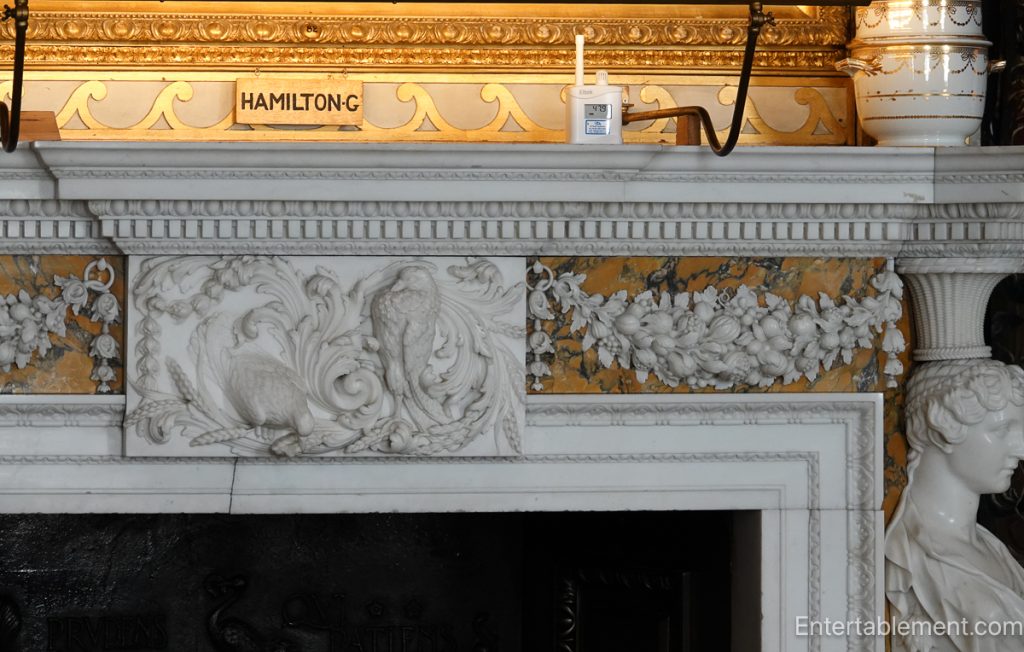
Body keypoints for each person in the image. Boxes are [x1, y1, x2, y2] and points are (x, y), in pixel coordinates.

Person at [886, 359, 1024, 651]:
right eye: (1002, 429)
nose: (1022, 448)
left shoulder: (995, 550)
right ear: (942, 427)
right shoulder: (909, 556)